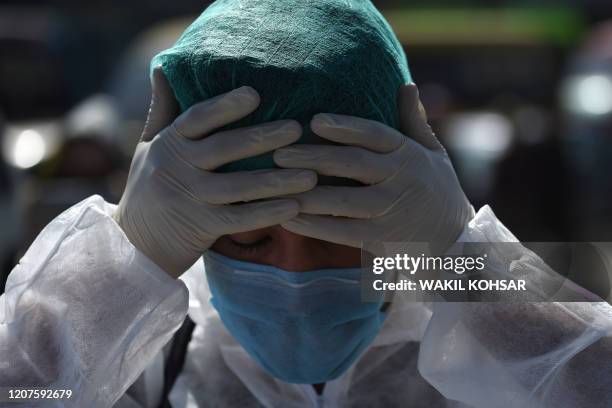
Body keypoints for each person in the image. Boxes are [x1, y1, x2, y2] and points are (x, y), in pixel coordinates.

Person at [2, 1, 612, 407]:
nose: (293, 275)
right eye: (248, 240)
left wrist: (459, 260)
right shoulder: (135, 357)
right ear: (194, 232)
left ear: (396, 216)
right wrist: (127, 261)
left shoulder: (487, 336)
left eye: (334, 228)